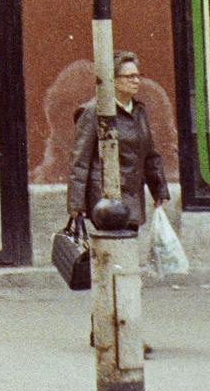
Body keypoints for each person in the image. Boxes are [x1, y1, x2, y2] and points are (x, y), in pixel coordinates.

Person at [68, 51, 170, 355]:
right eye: (129, 76)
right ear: (112, 80)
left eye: (138, 75)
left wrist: (159, 188)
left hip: (132, 200)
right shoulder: (94, 111)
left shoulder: (139, 111)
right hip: (104, 200)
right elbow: (79, 160)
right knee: (112, 268)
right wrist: (75, 203)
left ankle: (111, 326)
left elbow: (150, 153)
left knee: (126, 268)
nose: (136, 80)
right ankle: (116, 330)